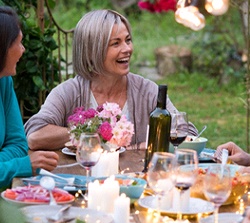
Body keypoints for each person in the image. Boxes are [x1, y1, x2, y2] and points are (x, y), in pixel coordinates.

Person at [24, 9, 198, 151]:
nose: (127, 49)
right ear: (92, 51)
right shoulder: (69, 92)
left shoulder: (147, 90)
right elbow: (35, 136)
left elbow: (186, 132)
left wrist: (137, 148)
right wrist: (93, 132)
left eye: (128, 40)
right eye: (116, 43)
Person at [0, 6, 59, 189]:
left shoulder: (4, 81)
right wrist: (22, 165)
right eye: (18, 43)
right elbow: (20, 156)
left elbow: (18, 144)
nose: (23, 50)